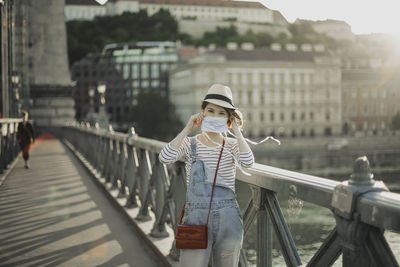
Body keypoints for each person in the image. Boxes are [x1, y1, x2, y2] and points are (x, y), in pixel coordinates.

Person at [159, 84, 254, 267]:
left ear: (228, 118)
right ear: (202, 112)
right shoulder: (190, 144)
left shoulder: (232, 145)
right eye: (210, 110)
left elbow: (248, 163)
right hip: (195, 217)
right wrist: (188, 128)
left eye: (221, 113)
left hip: (228, 219)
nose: (215, 116)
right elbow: (164, 157)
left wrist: (236, 131)